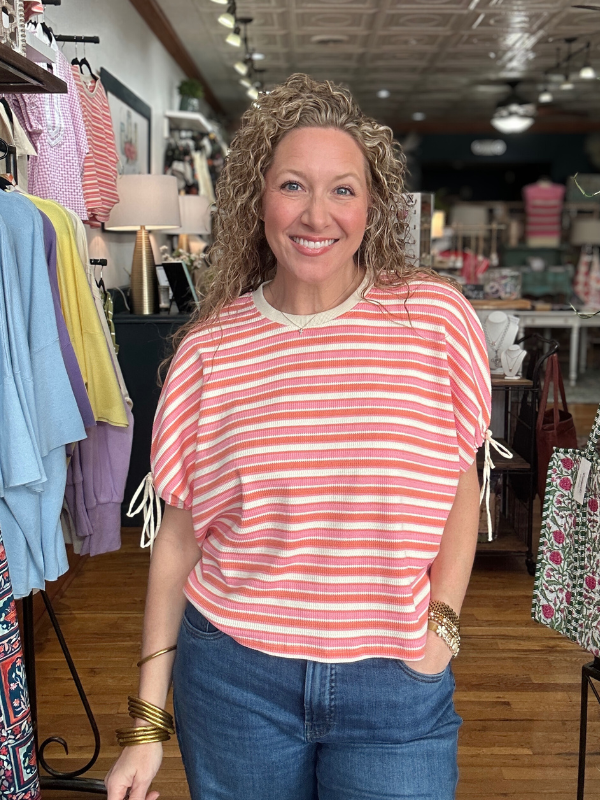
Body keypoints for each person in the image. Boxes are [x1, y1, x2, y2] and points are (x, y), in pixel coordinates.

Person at [105, 73, 491, 800]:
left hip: (395, 683)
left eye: (342, 189)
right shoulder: (210, 352)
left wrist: (443, 627)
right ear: (259, 199)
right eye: (292, 185)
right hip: (234, 680)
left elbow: (460, 483)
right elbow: (179, 541)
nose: (317, 214)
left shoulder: (434, 323)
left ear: (372, 205)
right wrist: (146, 728)